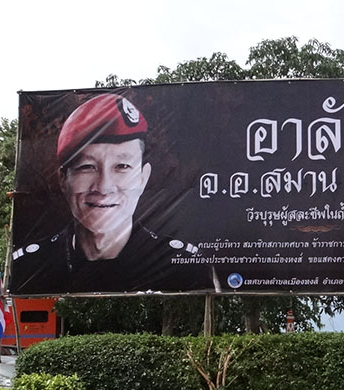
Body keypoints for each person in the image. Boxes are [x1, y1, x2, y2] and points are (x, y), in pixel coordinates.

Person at [11, 93, 215, 294]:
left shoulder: (183, 267)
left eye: (122, 166)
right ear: (63, 179)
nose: (104, 186)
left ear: (143, 178)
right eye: (87, 167)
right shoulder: (28, 266)